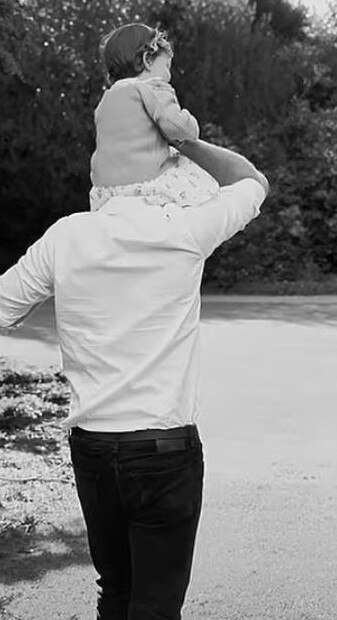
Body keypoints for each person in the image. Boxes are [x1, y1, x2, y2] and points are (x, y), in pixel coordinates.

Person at [0, 140, 268, 619]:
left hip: (94, 449)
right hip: (164, 449)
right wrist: (182, 135)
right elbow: (252, 182)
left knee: (117, 592)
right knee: (156, 605)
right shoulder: (184, 228)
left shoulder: (68, 236)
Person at [89, 23, 220, 212]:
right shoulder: (151, 87)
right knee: (191, 167)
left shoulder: (107, 100)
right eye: (167, 66)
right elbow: (179, 129)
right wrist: (190, 122)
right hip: (144, 183)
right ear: (147, 60)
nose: (169, 75)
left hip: (105, 192)